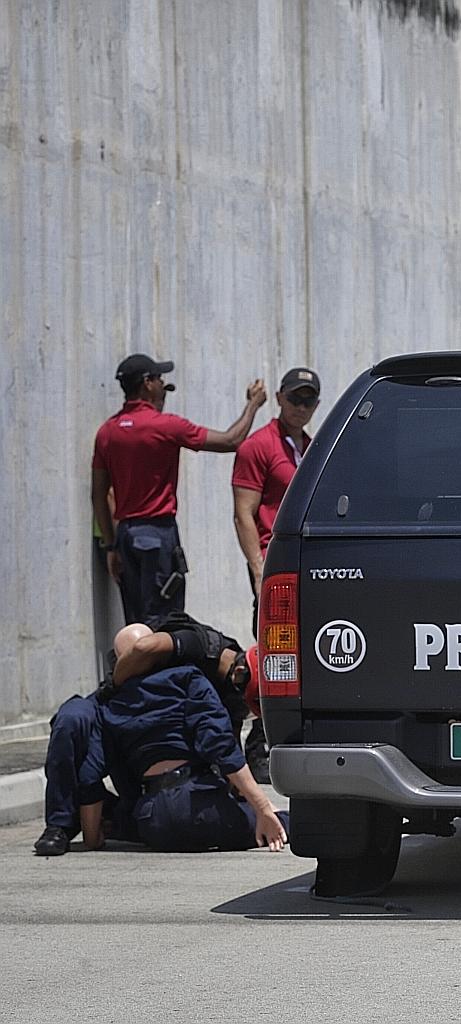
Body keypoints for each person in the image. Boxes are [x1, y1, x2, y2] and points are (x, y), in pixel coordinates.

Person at [33, 614, 262, 856]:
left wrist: (237, 797)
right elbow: (143, 648)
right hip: (112, 696)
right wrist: (261, 807)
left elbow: (227, 744)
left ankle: (118, 819)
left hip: (154, 810)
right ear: (238, 672)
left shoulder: (202, 684)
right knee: (71, 719)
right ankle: (58, 826)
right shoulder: (196, 649)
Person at [91, 353, 267, 623]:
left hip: (126, 536)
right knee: (165, 622)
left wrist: (111, 545)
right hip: (158, 534)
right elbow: (231, 440)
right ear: (147, 383)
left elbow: (99, 494)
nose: (163, 385)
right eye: (160, 379)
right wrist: (253, 405)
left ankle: (134, 666)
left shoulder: (107, 432)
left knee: (135, 624)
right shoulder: (166, 426)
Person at [102, 624, 287, 853]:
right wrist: (262, 806)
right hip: (198, 806)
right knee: (284, 821)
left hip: (152, 819)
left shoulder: (112, 705)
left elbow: (120, 772)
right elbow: (220, 745)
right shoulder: (185, 678)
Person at [232, 366, 321, 781]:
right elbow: (244, 513)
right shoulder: (258, 446)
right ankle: (258, 743)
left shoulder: (311, 446)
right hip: (274, 563)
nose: (301, 407)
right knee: (272, 657)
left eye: (309, 401)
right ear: (280, 398)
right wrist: (257, 569)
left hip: (308, 566)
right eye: (295, 399)